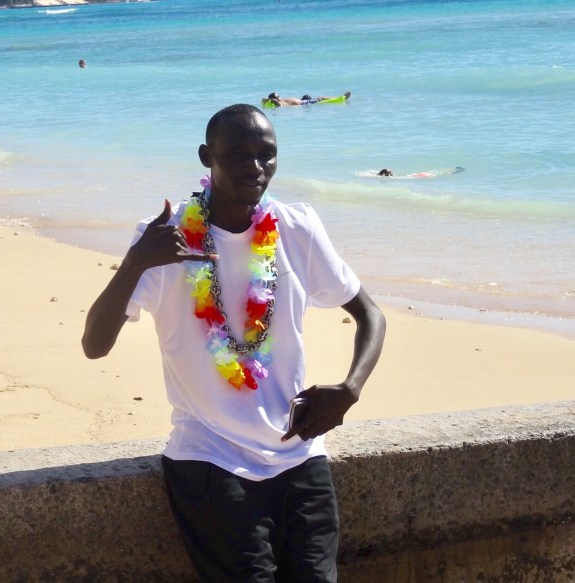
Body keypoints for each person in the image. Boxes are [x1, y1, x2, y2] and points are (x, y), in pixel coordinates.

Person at [82, 103, 386, 581]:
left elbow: (370, 314)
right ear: (207, 157)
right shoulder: (166, 238)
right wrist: (136, 262)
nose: (255, 167)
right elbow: (94, 344)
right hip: (210, 457)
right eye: (239, 155)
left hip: (298, 452)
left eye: (267, 154)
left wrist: (351, 388)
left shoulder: (296, 227)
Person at [262, 90, 351, 107]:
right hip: (303, 103)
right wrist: (271, 100)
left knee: (308, 96)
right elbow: (278, 105)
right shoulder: (279, 102)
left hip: (302, 100)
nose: (279, 97)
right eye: (278, 97)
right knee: (321, 98)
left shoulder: (280, 100)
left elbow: (263, 99)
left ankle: (342, 97)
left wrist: (267, 99)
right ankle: (342, 98)